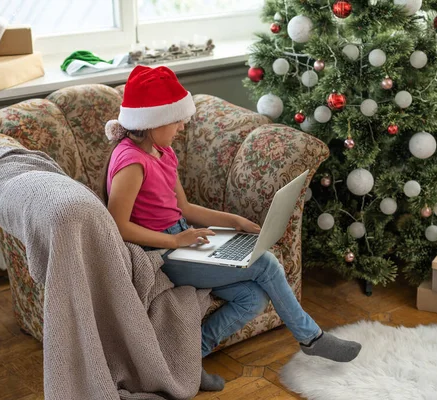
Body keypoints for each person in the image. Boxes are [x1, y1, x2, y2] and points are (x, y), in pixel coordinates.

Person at [103, 65, 362, 392]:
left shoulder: (162, 151)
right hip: (163, 253)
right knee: (266, 264)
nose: (183, 127)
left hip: (185, 240)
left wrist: (234, 221)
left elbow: (184, 208)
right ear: (152, 121)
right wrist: (176, 239)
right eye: (177, 120)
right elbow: (118, 226)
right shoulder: (131, 162)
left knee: (251, 298)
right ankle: (312, 338)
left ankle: (192, 357)